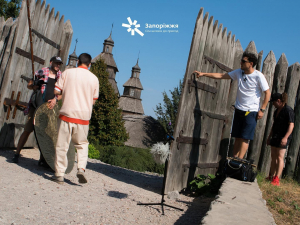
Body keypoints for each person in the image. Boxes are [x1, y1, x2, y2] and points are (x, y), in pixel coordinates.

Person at [193, 52, 271, 159]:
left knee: (245, 137)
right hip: (239, 109)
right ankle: (233, 159)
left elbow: (267, 93)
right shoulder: (239, 72)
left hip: (251, 111)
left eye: (244, 61)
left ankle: (239, 161)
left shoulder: (258, 76)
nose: (241, 63)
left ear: (251, 64)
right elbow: (221, 75)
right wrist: (203, 74)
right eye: (241, 60)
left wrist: (262, 109)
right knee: (238, 137)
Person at [51, 53, 99, 184]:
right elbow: (93, 101)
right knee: (82, 144)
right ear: (89, 64)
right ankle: (81, 168)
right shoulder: (94, 79)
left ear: (77, 61)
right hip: (83, 117)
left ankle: (59, 174)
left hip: (67, 113)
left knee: (62, 145)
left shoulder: (68, 73)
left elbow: (56, 91)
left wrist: (66, 91)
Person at [12, 56, 63, 164]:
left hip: (48, 108)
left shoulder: (61, 76)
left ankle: (43, 159)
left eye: (59, 64)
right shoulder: (41, 71)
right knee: (28, 130)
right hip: (36, 105)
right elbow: (29, 85)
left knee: (45, 134)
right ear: (51, 62)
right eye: (56, 63)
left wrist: (55, 100)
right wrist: (34, 85)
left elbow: (62, 93)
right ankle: (17, 154)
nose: (58, 65)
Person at [267, 93, 294, 186]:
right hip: (275, 135)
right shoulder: (276, 111)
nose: (273, 104)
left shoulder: (288, 110)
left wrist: (285, 137)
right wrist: (269, 136)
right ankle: (271, 175)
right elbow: (274, 125)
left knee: (280, 157)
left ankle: (277, 178)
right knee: (273, 156)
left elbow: (291, 125)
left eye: (274, 102)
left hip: (283, 136)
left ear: (278, 101)